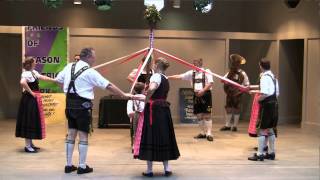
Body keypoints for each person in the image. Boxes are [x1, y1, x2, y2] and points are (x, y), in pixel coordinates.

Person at [55, 47, 134, 174]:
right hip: (82, 106)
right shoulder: (89, 71)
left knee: (71, 134)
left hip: (69, 105)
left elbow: (58, 80)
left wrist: (67, 92)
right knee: (83, 135)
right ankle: (81, 166)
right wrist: (123, 95)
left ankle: (68, 165)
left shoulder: (69, 66)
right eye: (93, 56)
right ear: (88, 57)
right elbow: (108, 85)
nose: (95, 59)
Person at [137, 57, 180, 177]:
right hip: (163, 109)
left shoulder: (156, 76)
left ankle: (149, 170)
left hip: (154, 109)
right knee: (163, 135)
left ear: (156, 65)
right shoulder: (165, 78)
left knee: (150, 135)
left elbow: (152, 88)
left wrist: (145, 99)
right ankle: (167, 168)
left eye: (154, 64)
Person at [15, 57, 56, 153]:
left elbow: (42, 77)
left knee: (33, 120)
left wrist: (54, 80)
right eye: (34, 62)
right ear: (30, 64)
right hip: (29, 100)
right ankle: (27, 146)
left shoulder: (33, 72)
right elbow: (22, 82)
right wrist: (31, 92)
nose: (36, 63)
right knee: (29, 120)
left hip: (33, 99)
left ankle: (30, 144)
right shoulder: (27, 73)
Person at [168, 58, 214, 141]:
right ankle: (202, 132)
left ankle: (209, 133)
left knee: (207, 114)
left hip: (206, 94)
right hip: (196, 95)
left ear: (201, 63)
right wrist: (167, 77)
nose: (194, 65)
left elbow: (211, 83)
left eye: (195, 63)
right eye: (193, 63)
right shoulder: (191, 73)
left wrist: (203, 91)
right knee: (199, 115)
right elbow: (179, 76)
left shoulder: (207, 71)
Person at [248, 58, 279, 161]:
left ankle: (260, 154)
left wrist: (258, 99)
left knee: (261, 130)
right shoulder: (273, 76)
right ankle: (271, 153)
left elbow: (264, 93)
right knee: (270, 129)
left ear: (261, 66)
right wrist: (252, 89)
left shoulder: (264, 77)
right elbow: (276, 92)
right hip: (274, 104)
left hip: (266, 106)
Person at [220, 54, 250, 132]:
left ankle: (235, 126)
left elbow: (247, 84)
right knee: (228, 108)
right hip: (229, 94)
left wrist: (241, 90)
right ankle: (227, 125)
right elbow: (222, 80)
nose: (233, 65)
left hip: (238, 94)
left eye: (235, 63)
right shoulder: (229, 73)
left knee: (237, 109)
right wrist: (225, 81)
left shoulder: (243, 73)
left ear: (239, 64)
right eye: (233, 63)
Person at [126, 82, 145, 149]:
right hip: (142, 118)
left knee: (135, 132)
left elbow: (129, 113)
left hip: (135, 118)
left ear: (134, 90)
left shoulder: (131, 99)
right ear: (143, 90)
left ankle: (135, 146)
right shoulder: (146, 98)